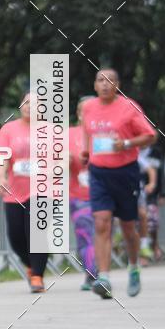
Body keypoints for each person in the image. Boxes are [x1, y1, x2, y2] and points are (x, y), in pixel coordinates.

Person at [80, 68, 156, 299]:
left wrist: (126, 143)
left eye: (110, 80)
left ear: (117, 85)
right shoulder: (88, 107)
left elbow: (150, 135)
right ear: (94, 85)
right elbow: (87, 132)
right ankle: (103, 278)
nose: (105, 84)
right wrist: (86, 153)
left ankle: (133, 267)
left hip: (125, 173)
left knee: (128, 226)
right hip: (99, 173)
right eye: (100, 80)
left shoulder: (128, 107)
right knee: (102, 222)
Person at [0, 91, 49, 293]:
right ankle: (31, 265)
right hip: (15, 192)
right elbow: (2, 156)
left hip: (43, 189)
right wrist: (1, 177)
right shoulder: (8, 129)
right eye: (26, 103)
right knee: (16, 236)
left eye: (35, 104)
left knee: (36, 232)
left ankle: (37, 276)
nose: (29, 106)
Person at [69, 97, 97, 290]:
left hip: (106, 194)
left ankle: (98, 271)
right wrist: (66, 160)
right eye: (84, 112)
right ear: (79, 114)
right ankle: (92, 274)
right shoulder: (68, 135)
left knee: (102, 235)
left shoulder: (107, 134)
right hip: (79, 196)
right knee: (85, 236)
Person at [137, 147, 158, 264]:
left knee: (143, 214)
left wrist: (152, 184)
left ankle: (144, 246)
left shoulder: (135, 155)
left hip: (136, 191)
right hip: (118, 191)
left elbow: (151, 170)